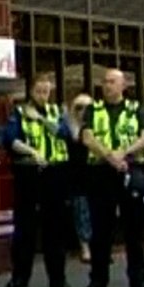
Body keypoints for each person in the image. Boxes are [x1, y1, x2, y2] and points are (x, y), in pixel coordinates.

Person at [80, 68, 144, 287]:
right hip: (101, 173)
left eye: (112, 81)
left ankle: (138, 279)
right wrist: (110, 156)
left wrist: (124, 153)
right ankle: (98, 279)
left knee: (134, 229)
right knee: (101, 229)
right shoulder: (94, 108)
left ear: (123, 86)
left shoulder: (135, 108)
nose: (107, 85)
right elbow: (87, 137)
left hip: (130, 170)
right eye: (105, 81)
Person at [2, 73, 74, 287]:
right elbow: (10, 139)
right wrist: (32, 152)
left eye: (46, 91)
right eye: (39, 91)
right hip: (29, 172)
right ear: (30, 91)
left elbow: (65, 134)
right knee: (25, 226)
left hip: (55, 173)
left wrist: (41, 119)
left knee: (56, 227)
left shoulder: (56, 111)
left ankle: (58, 278)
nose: (43, 95)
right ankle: (20, 276)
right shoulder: (20, 112)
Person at [66, 94, 94, 265]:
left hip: (96, 174)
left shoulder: (96, 126)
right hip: (76, 176)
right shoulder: (67, 128)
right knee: (81, 211)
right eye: (78, 107)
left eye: (87, 108)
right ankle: (85, 247)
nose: (83, 111)